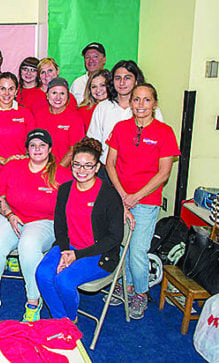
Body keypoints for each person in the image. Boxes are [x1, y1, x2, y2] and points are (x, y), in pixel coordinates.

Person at [105, 83, 179, 319]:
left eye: (146, 100)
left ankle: (140, 292)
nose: (141, 105)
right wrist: (122, 195)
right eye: (136, 100)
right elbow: (110, 164)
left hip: (146, 202)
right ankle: (124, 285)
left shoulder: (164, 132)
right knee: (121, 245)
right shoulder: (120, 128)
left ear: (154, 104)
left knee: (137, 250)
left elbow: (164, 173)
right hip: (121, 198)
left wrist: (136, 196)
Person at [0, 129, 72, 322]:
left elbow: (73, 206)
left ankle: (33, 300)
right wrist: (8, 214)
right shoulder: (13, 166)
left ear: (49, 148)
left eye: (42, 145)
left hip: (45, 221)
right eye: (33, 145)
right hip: (12, 215)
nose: (37, 149)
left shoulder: (62, 174)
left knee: (28, 244)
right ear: (27, 149)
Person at [36, 137, 125, 322]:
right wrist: (65, 251)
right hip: (69, 247)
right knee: (42, 274)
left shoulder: (108, 195)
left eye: (88, 166)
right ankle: (63, 320)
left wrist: (77, 255)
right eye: (76, 165)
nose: (81, 170)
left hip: (98, 253)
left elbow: (115, 237)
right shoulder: (65, 189)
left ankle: (66, 321)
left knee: (64, 282)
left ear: (97, 167)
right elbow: (59, 225)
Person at [87, 60, 164, 181]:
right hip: (105, 173)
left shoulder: (149, 109)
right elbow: (93, 143)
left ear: (136, 80)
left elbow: (160, 145)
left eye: (127, 78)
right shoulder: (103, 107)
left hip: (140, 175)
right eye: (118, 78)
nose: (122, 82)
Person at [0, 72, 33, 197]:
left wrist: (25, 157)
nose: (7, 93)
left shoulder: (25, 113)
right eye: (2, 89)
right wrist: (4, 161)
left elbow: (33, 143)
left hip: (21, 171)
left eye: (11, 89)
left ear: (16, 91)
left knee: (20, 209)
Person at [33, 77, 84, 167]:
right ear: (47, 96)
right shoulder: (39, 115)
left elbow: (73, 150)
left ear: (67, 97)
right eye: (54, 93)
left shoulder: (75, 118)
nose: (58, 97)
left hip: (63, 170)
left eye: (62, 93)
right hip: (40, 168)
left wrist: (57, 171)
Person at [77, 69, 111, 133]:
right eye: (94, 87)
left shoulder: (118, 108)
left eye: (103, 85)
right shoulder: (82, 111)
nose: (98, 90)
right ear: (89, 90)